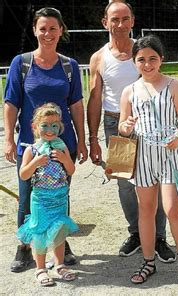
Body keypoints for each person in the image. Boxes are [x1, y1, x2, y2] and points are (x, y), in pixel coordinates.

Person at [87, 0, 174, 262]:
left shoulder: (143, 52)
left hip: (150, 125)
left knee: (154, 181)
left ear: (133, 21)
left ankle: (159, 237)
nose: (120, 24)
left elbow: (159, 85)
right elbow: (95, 99)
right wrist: (92, 139)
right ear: (105, 23)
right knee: (125, 184)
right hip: (117, 125)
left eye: (125, 19)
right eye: (115, 19)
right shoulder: (99, 58)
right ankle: (136, 233)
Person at [3, 7, 86, 272]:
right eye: (43, 28)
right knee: (27, 198)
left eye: (53, 28)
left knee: (60, 194)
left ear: (61, 31)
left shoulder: (69, 66)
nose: (48, 33)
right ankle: (25, 248)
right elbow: (11, 103)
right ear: (35, 31)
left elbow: (76, 106)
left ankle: (61, 245)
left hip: (64, 145)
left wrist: (82, 141)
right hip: (30, 145)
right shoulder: (22, 63)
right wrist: (9, 139)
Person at [118, 34, 178, 284]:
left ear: (161, 59)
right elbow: (122, 126)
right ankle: (148, 261)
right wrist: (126, 126)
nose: (147, 64)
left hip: (170, 155)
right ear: (134, 62)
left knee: (172, 208)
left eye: (152, 58)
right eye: (141, 59)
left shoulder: (173, 85)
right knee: (146, 209)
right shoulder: (129, 91)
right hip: (142, 157)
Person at [16, 103, 79, 286]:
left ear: (60, 127)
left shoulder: (62, 147)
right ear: (35, 127)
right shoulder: (32, 150)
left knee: (60, 232)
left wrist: (65, 159)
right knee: (40, 234)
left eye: (54, 125)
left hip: (59, 198)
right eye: (45, 125)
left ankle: (59, 265)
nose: (50, 130)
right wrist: (35, 162)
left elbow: (71, 170)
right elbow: (24, 174)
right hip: (41, 200)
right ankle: (41, 269)